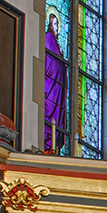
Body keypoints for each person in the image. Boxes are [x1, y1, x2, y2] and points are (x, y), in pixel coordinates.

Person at [43, 12, 67, 151]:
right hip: (50, 87)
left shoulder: (57, 44)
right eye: (55, 24)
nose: (57, 28)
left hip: (58, 89)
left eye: (58, 24)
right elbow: (49, 64)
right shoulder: (48, 39)